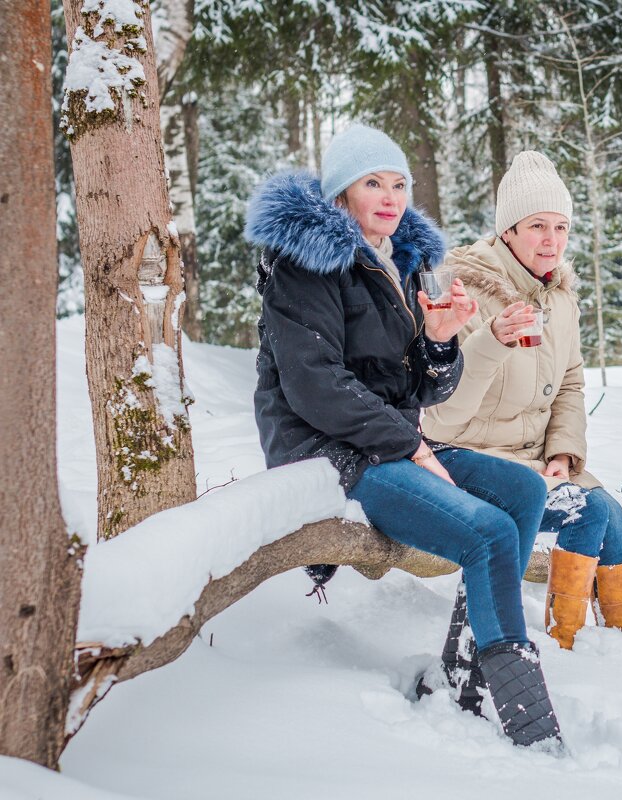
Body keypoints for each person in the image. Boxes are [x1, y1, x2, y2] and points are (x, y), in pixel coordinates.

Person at [245, 125, 560, 749]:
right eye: (372, 184)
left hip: (383, 439)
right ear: (341, 195)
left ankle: (462, 671)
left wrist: (440, 338)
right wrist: (413, 446)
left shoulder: (395, 263)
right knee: (490, 533)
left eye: (398, 184)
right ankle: (531, 728)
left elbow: (422, 391)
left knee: (523, 491)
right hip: (325, 452)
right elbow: (316, 387)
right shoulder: (305, 264)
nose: (390, 198)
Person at [423, 151, 622, 651]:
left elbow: (570, 382)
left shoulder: (559, 296)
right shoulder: (463, 289)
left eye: (561, 227)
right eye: (537, 225)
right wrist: (492, 340)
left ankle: (619, 642)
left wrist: (562, 455)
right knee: (589, 512)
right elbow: (442, 411)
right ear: (508, 232)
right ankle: (563, 643)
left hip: (536, 460)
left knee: (610, 509)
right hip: (467, 456)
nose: (552, 240)